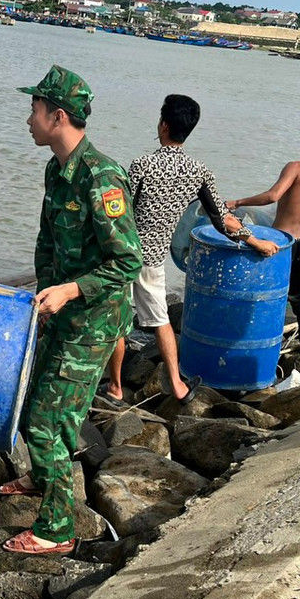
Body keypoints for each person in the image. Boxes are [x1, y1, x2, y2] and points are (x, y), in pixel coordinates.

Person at [0, 66, 143, 556]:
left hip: (94, 322)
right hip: (62, 312)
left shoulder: (102, 178)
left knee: (47, 422)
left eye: (34, 110)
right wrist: (46, 293)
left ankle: (57, 529)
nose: (28, 119)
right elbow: (47, 240)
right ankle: (43, 479)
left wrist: (72, 291)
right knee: (30, 401)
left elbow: (127, 261)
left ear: (57, 116)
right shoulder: (55, 169)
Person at [102, 95, 279, 405]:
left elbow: (120, 213)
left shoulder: (142, 165)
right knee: (160, 322)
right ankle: (177, 385)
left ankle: (115, 387)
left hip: (124, 255)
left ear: (164, 125)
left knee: (118, 320)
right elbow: (224, 219)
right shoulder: (199, 172)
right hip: (154, 260)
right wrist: (255, 241)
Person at [227, 126, 300, 353]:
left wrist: (237, 202)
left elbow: (273, 195)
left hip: (281, 242)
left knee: (264, 290)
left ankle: (250, 337)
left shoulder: (295, 167)